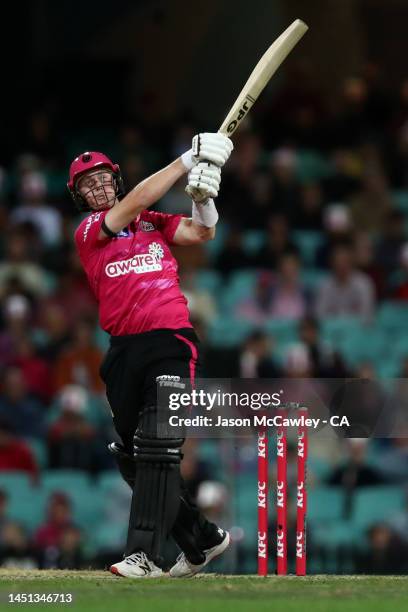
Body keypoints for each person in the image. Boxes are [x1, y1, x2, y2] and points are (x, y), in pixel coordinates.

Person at [68, 133, 233, 578]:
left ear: (115, 180)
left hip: (171, 340)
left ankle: (144, 554)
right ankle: (201, 539)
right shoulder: (88, 231)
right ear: (79, 196)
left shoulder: (152, 221)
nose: (99, 187)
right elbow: (139, 197)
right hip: (123, 350)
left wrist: (202, 198)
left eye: (104, 178)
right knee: (132, 457)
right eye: (88, 184)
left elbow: (202, 232)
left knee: (157, 443)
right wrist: (187, 159)